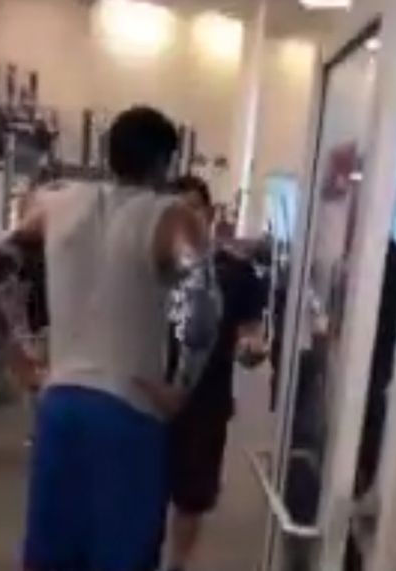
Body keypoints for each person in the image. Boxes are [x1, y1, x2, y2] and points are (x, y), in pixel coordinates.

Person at [0, 106, 217, 571]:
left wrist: (17, 356)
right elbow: (202, 307)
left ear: (107, 153)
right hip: (129, 411)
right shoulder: (173, 218)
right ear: (166, 162)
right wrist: (180, 386)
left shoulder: (57, 205)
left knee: (52, 555)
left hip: (61, 406)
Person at [161, 176, 268, 571]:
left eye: (193, 208)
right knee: (138, 493)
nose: (185, 217)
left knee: (190, 499)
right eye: (175, 210)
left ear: (209, 214)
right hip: (145, 399)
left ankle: (176, 565)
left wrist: (250, 348)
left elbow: (250, 333)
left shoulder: (238, 275)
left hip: (204, 405)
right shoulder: (147, 270)